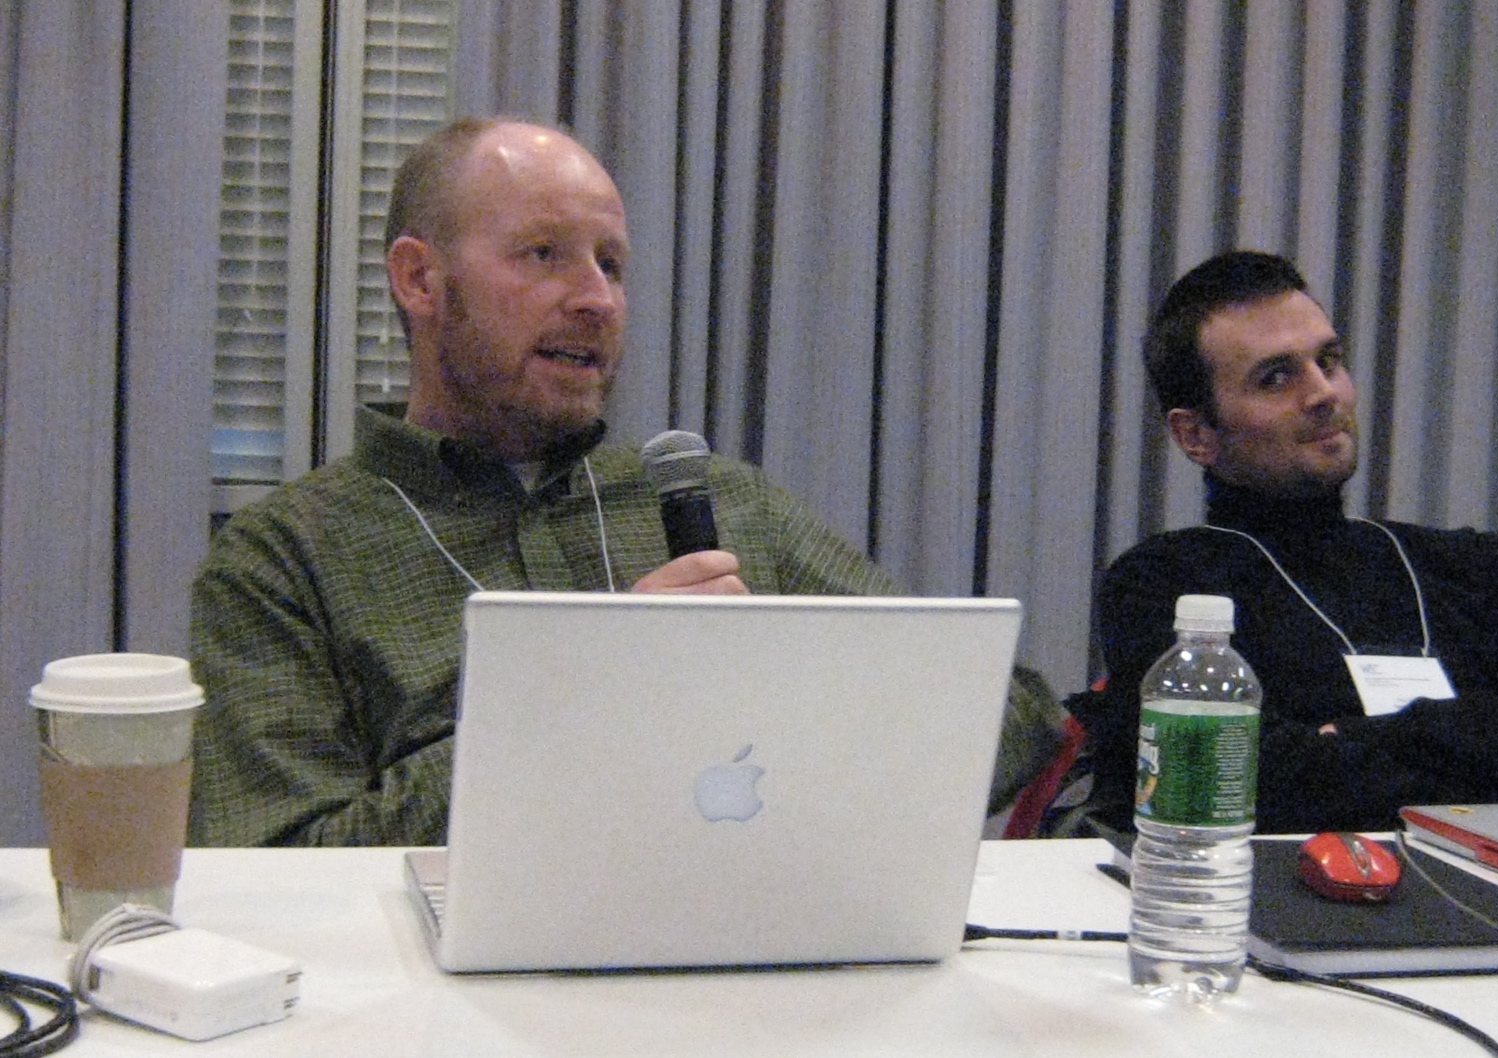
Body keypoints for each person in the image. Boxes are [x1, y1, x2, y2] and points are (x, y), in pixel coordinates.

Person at [189, 118, 1062, 846]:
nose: (597, 299)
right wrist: (599, 691)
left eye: (612, 263)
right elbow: (273, 867)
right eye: (543, 254)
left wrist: (807, 708)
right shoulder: (283, 559)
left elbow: (1012, 720)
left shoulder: (723, 503)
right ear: (421, 279)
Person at [1084, 250, 1498, 835]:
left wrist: (1347, 739)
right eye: (1275, 377)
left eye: (1328, 360)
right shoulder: (1168, 584)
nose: (1322, 392)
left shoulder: (1470, 566)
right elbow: (1255, 787)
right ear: (1196, 434)